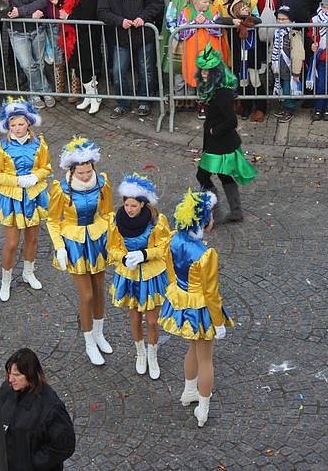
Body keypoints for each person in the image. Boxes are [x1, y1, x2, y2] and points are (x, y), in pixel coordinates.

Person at [158, 189, 234, 427]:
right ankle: (203, 407)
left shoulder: (173, 239)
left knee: (192, 349)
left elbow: (169, 268)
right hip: (201, 310)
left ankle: (188, 392)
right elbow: (211, 293)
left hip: (182, 303)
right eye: (210, 216)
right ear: (204, 222)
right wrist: (219, 323)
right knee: (206, 358)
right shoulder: (206, 254)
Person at [47, 137, 114, 365]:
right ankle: (88, 342)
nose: (86, 176)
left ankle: (99, 333)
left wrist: (113, 239)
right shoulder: (61, 189)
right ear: (72, 170)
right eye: (81, 173)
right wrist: (59, 247)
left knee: (99, 290)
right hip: (74, 243)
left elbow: (107, 214)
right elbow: (53, 220)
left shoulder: (102, 183)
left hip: (97, 240)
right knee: (86, 295)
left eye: (88, 171)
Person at [106, 174, 171, 379]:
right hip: (130, 276)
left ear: (143, 204)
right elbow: (112, 249)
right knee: (134, 319)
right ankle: (140, 353)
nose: (129, 209)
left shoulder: (156, 221)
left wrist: (144, 254)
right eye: (127, 205)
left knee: (152, 322)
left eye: (134, 206)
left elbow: (164, 247)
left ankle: (152, 355)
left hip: (152, 275)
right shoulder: (116, 221)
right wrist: (123, 258)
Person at [0, 98, 51, 302]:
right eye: (13, 124)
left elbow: (46, 168)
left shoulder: (39, 144)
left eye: (21, 123)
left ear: (29, 123)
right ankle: (6, 280)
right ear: (8, 125)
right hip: (12, 199)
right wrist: (17, 181)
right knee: (12, 243)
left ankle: (28, 272)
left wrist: (35, 177)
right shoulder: (0, 146)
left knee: (32, 239)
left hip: (33, 197)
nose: (17, 128)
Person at [194, 46, 258, 223]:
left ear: (216, 71)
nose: (204, 73)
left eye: (208, 70)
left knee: (203, 175)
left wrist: (215, 130)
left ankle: (214, 212)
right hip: (217, 143)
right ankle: (234, 212)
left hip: (220, 144)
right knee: (223, 175)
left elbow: (231, 121)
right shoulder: (214, 89)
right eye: (202, 70)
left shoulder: (222, 93)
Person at [97, 0, 163, 119]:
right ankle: (123, 103)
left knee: (145, 70)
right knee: (118, 72)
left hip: (143, 36)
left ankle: (145, 101)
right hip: (120, 37)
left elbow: (156, 4)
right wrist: (120, 21)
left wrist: (143, 17)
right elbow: (102, 12)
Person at [1, 348, 76, 470]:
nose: (10, 379)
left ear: (30, 375)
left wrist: (33, 462)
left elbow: (64, 445)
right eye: (9, 373)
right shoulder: (7, 389)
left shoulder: (51, 407)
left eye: (17, 375)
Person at [6, 0, 56, 110]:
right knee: (27, 64)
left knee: (39, 63)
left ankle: (35, 93)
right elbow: (6, 11)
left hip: (36, 29)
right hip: (17, 32)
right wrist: (30, 13)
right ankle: (45, 90)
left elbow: (41, 1)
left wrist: (21, 12)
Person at [59, 0, 104, 115]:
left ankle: (95, 97)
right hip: (79, 37)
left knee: (86, 68)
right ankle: (88, 96)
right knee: (79, 68)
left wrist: (68, 18)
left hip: (88, 38)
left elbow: (85, 17)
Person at [37, 0, 78, 101]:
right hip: (52, 20)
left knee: (72, 54)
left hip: (69, 21)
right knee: (57, 54)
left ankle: (75, 89)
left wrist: (60, 1)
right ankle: (60, 87)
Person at [176, 0, 228, 92]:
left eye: (208, 2)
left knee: (211, 78)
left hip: (211, 52)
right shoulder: (185, 12)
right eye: (204, 2)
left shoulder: (214, 11)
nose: (207, 4)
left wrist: (206, 22)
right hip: (192, 52)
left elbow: (219, 32)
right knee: (196, 76)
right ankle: (198, 102)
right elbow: (181, 34)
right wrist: (194, 23)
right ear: (195, 2)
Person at [269, 5, 304, 122]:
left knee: (288, 88)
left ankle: (289, 109)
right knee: (282, 87)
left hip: (290, 67)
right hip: (279, 66)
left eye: (284, 19)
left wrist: (296, 72)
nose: (280, 21)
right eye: (279, 19)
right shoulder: (276, 32)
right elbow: (272, 48)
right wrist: (271, 63)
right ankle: (283, 106)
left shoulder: (294, 34)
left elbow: (298, 53)